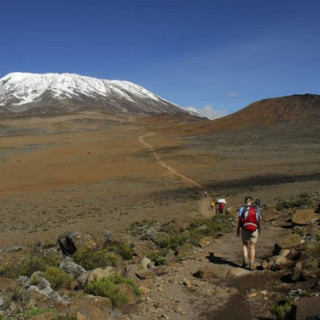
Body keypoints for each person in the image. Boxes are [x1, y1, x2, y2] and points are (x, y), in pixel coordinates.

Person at [236, 196, 260, 270]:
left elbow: (239, 220)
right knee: (252, 247)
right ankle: (252, 263)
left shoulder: (242, 208)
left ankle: (245, 260)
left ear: (245, 201)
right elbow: (259, 219)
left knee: (244, 244)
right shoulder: (256, 208)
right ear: (251, 201)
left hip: (244, 229)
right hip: (254, 230)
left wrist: (237, 229)